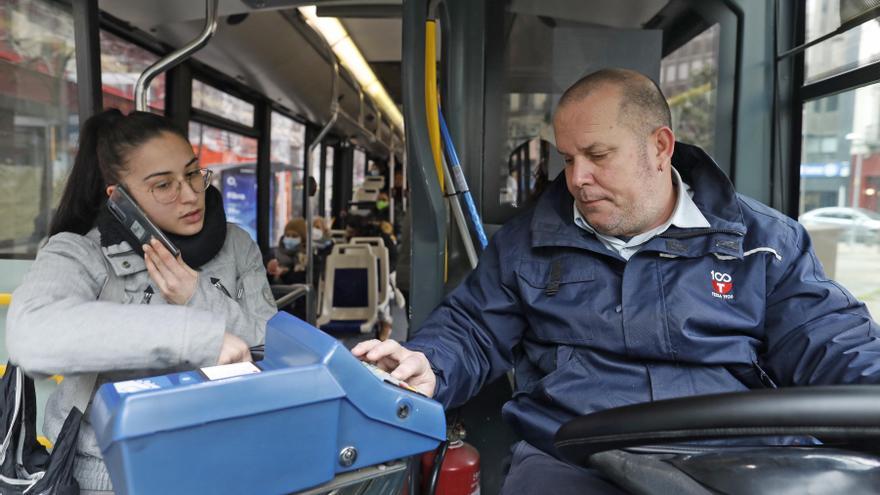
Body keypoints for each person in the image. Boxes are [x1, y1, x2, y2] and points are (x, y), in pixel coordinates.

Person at [352, 68, 880, 494]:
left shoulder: (763, 243)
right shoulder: (527, 244)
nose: (577, 178)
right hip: (574, 456)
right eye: (568, 158)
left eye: (598, 156)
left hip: (734, 454)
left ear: (660, 147)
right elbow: (471, 328)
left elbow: (830, 341)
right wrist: (430, 365)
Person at [5, 109, 277, 495]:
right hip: (111, 477)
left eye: (193, 173)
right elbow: (32, 335)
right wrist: (198, 335)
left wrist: (196, 296)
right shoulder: (81, 253)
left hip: (227, 460)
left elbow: (276, 344)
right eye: (163, 185)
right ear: (121, 198)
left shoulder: (237, 246)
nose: (190, 195)